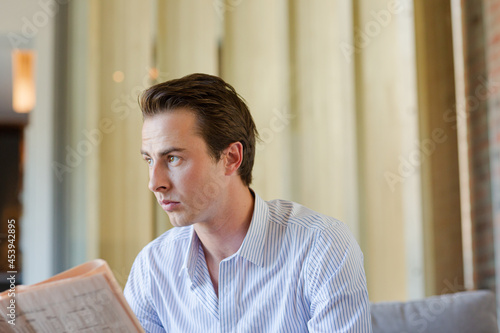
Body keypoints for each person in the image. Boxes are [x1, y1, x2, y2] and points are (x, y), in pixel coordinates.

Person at [124, 73, 372, 332]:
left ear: (231, 158)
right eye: (149, 160)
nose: (155, 183)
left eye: (173, 158)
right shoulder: (153, 265)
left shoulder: (321, 246)